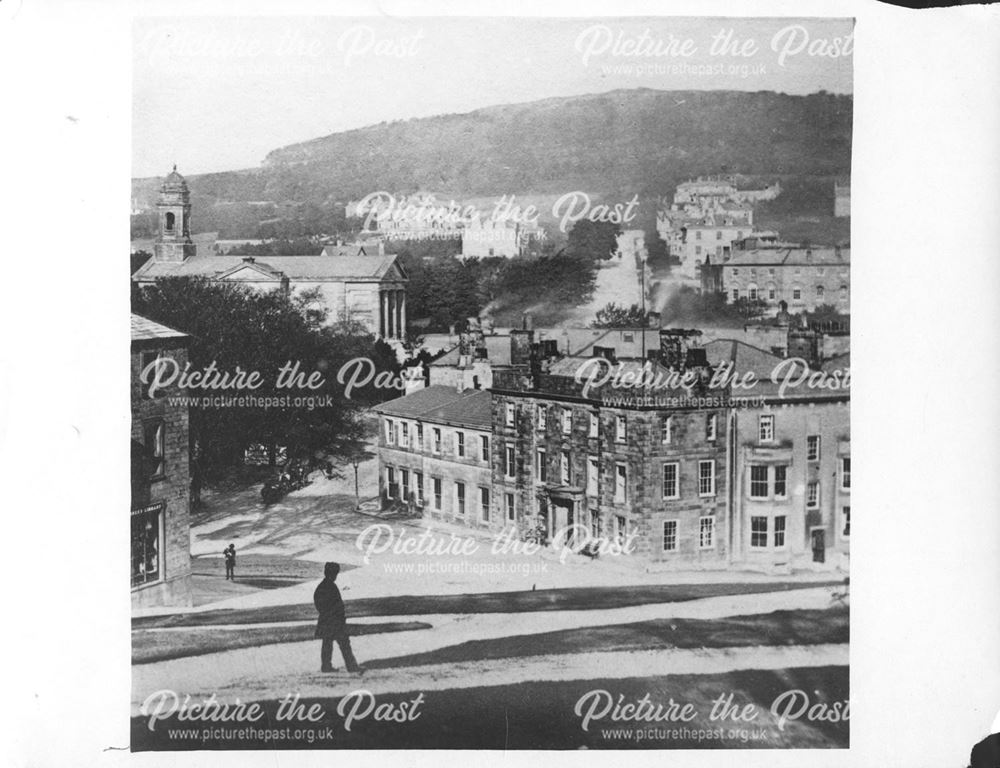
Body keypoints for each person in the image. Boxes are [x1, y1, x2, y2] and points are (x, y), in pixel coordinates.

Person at [314, 562, 363, 674]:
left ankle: (326, 667)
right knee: (344, 644)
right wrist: (335, 616)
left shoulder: (323, 586)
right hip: (334, 622)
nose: (336, 576)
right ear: (332, 573)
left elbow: (318, 603)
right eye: (335, 573)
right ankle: (352, 667)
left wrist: (326, 614)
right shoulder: (330, 586)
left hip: (327, 621)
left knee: (327, 644)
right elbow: (334, 605)